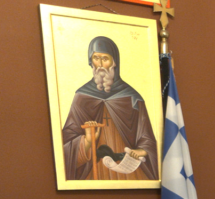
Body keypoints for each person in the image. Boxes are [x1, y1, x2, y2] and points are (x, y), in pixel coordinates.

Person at [61, 36, 158, 182]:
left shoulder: (132, 97)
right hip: (94, 171)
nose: (100, 64)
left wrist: (140, 151)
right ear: (90, 61)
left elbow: (147, 138)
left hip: (129, 170)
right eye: (96, 58)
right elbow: (66, 143)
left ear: (114, 62)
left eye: (105, 58)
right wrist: (87, 141)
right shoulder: (82, 97)